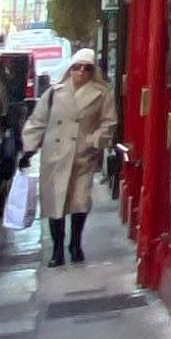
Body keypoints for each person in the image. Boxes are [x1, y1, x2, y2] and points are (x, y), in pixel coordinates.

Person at [24, 52, 112, 267]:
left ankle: (75, 244)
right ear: (70, 68)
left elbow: (108, 123)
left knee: (79, 201)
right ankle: (57, 250)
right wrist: (29, 149)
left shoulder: (102, 94)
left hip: (83, 156)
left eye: (87, 68)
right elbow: (38, 121)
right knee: (55, 203)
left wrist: (94, 140)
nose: (81, 72)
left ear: (93, 72)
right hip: (55, 156)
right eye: (77, 67)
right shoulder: (55, 93)